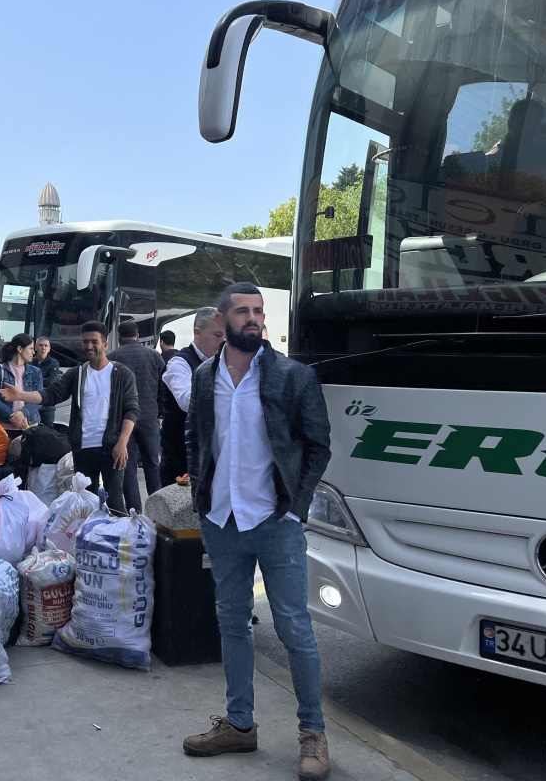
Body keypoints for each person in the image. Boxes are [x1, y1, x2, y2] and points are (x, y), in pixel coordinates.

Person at [182, 283, 333, 780]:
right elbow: (195, 438)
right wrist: (203, 500)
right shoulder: (205, 377)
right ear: (222, 321)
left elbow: (318, 447)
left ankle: (313, 733)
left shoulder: (294, 376)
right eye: (243, 311)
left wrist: (296, 509)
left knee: (295, 629)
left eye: (258, 311)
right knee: (232, 624)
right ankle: (240, 726)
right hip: (223, 520)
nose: (253, 319)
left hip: (275, 521)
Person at [0, 320, 138, 512]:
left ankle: (119, 537)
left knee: (114, 501)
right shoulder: (77, 373)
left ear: (105, 344)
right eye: (85, 341)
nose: (89, 346)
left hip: (112, 447)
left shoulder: (121, 373)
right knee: (86, 501)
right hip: (83, 448)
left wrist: (122, 442)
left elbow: (131, 410)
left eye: (94, 342)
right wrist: (19, 395)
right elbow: (50, 395)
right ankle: (89, 539)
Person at [158, 307, 223, 486]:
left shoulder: (222, 364)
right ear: (197, 332)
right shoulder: (179, 363)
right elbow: (187, 402)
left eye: (226, 336)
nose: (223, 341)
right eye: (218, 335)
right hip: (181, 462)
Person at [107, 321, 165, 512]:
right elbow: (162, 386)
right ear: (138, 335)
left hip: (124, 420)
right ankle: (157, 511)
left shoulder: (113, 358)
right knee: (152, 464)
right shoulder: (154, 356)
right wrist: (160, 413)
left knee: (128, 466)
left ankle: (135, 512)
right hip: (150, 416)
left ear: (119, 336)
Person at [0, 334, 43, 435]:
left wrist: (23, 413)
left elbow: (39, 398)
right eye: (31, 348)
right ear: (20, 349)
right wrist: (12, 416)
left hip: (30, 425)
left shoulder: (36, 372)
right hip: (5, 427)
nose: (33, 352)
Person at [30, 336, 62, 426]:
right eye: (40, 345)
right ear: (35, 347)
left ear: (49, 348)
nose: (43, 348)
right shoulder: (29, 362)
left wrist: (34, 380)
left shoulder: (54, 363)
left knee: (47, 433)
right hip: (31, 404)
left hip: (48, 404)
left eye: (46, 346)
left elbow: (50, 382)